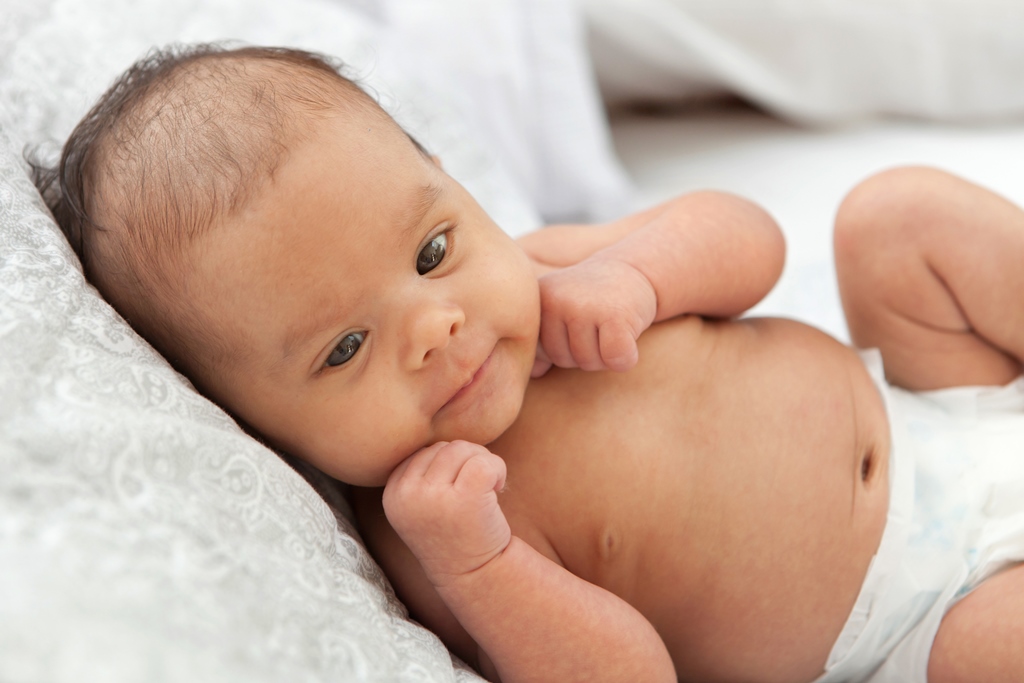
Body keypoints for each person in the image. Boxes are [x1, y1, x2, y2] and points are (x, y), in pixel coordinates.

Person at [33, 43, 1024, 683]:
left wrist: (636, 275)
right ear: (253, 419)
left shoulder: (551, 270)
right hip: (923, 608)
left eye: (430, 251)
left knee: (896, 218)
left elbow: (750, 241)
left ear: (457, 194)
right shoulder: (441, 531)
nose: (434, 324)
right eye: (343, 348)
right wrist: (486, 562)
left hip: (941, 395)